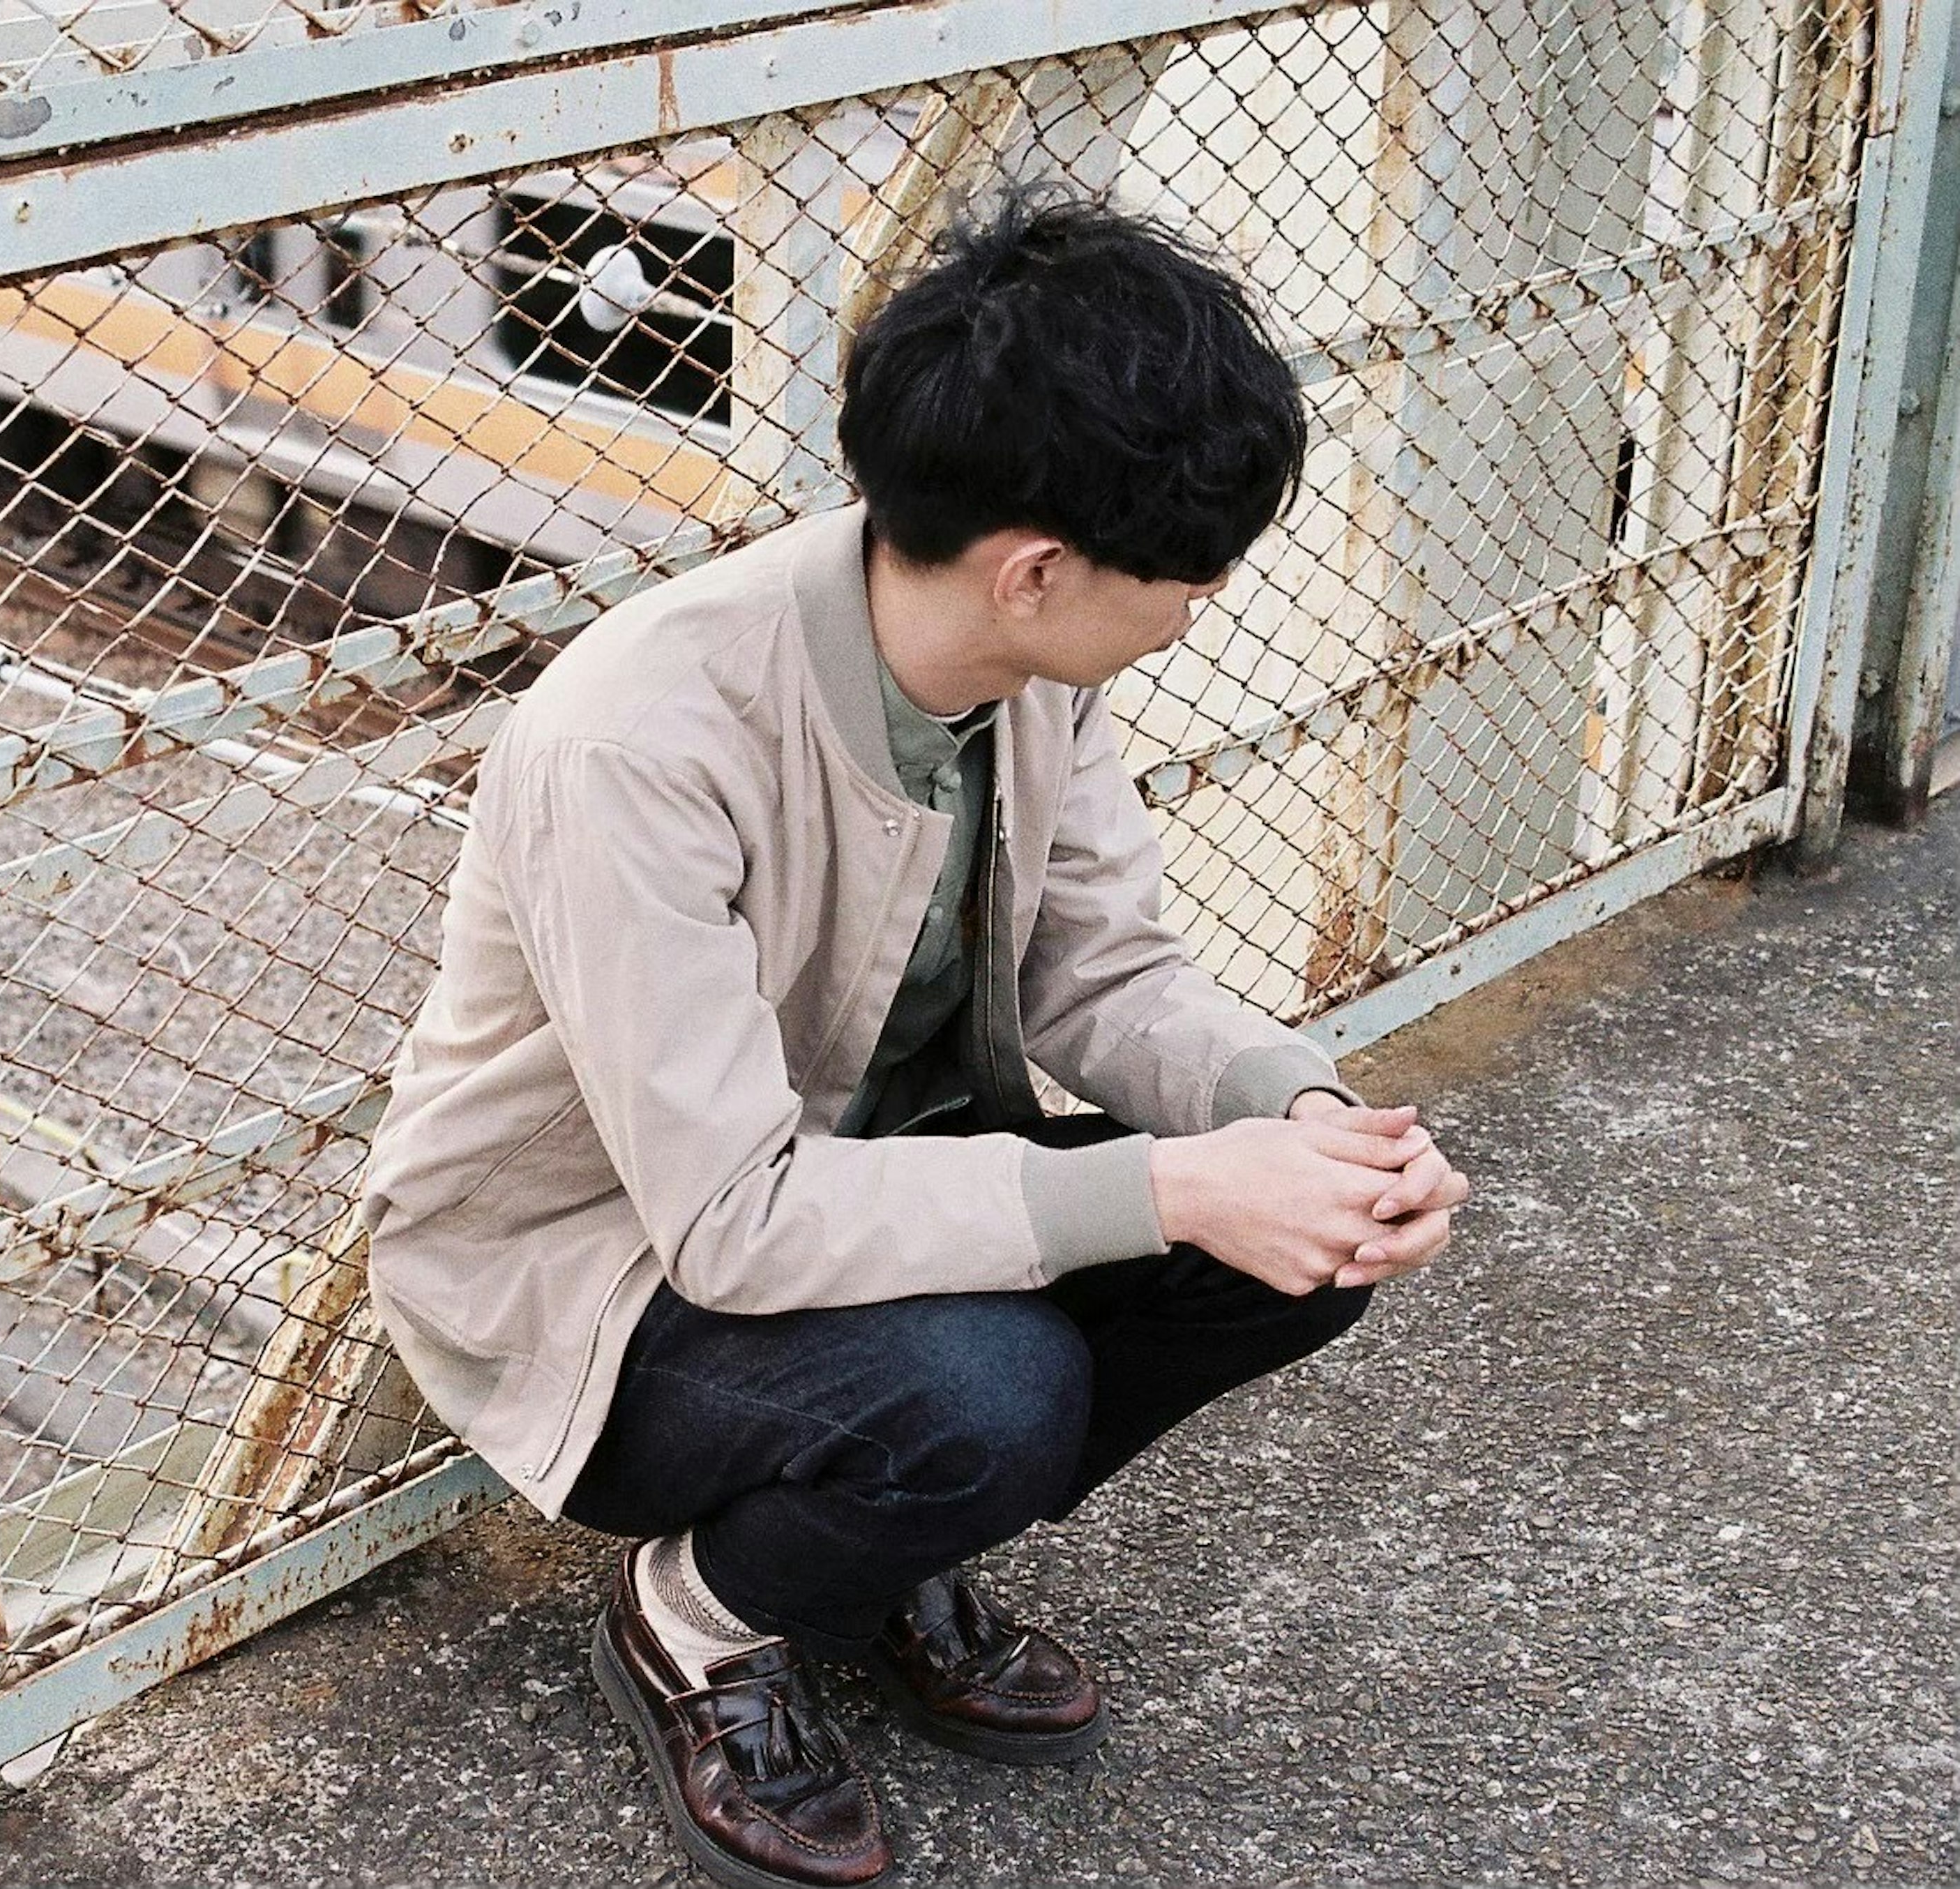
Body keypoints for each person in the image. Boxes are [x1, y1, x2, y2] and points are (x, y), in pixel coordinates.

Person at [356, 189, 1468, 1889]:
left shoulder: (1029, 664)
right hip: (601, 1273)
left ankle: (885, 1542)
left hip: (861, 1185)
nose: (1199, 608)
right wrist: (1174, 1186)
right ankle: (700, 1618)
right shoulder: (640, 741)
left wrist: (1305, 1116)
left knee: (1294, 1247)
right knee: (994, 1389)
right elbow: (729, 1218)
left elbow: (1111, 978)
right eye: (1192, 577)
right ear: (1039, 569)